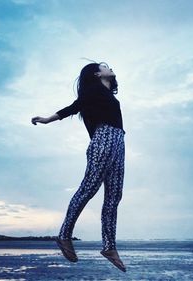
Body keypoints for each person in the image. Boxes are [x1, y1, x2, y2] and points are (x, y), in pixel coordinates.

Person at [31, 62, 127, 272]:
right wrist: (48, 119)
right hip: (104, 140)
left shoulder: (108, 94)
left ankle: (109, 247)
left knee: (114, 196)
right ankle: (65, 234)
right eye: (104, 65)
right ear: (96, 73)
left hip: (119, 142)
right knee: (89, 188)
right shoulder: (92, 91)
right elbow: (75, 106)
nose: (109, 67)